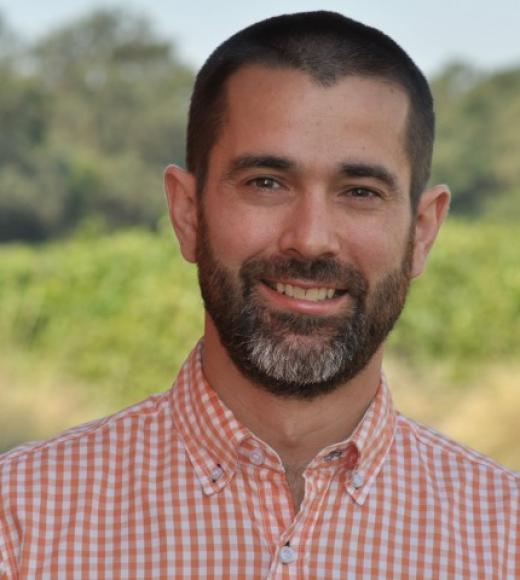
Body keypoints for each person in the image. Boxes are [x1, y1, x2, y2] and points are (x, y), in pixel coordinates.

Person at [0, 10, 517, 578]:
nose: (310, 239)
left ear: (422, 232)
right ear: (188, 213)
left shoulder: (505, 541)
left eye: (360, 192)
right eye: (266, 183)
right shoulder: (19, 523)